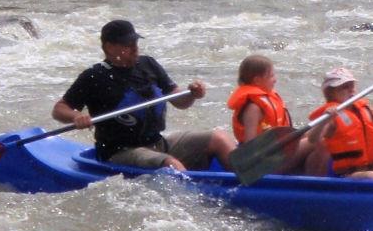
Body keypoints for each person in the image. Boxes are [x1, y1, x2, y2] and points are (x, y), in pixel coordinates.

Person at [51, 19, 234, 172]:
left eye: (135, 43)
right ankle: (199, 197)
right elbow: (59, 109)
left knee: (219, 138)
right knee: (170, 164)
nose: (134, 48)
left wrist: (192, 94)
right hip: (120, 152)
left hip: (158, 143)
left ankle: (247, 181)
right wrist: (76, 116)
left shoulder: (148, 64)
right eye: (127, 45)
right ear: (109, 47)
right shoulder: (94, 76)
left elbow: (179, 101)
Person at [227, 54, 323, 174]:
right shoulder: (253, 108)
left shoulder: (265, 100)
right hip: (264, 162)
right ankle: (313, 180)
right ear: (257, 80)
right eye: (271, 76)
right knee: (316, 140)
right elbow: (249, 147)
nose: (275, 79)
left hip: (276, 152)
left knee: (318, 131)